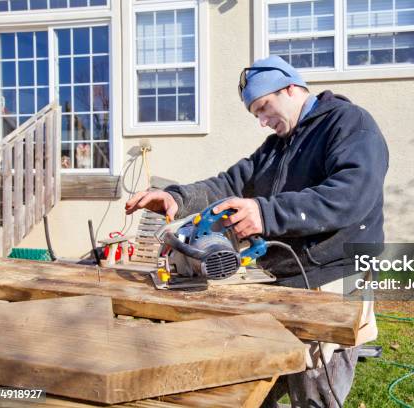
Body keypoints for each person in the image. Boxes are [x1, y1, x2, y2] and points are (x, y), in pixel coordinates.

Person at [125, 55, 389, 407]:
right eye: (256, 115)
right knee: (255, 382)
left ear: (292, 88)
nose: (263, 121)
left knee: (315, 392)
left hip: (335, 277)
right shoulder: (278, 145)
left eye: (264, 107)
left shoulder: (348, 123)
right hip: (287, 276)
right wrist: (176, 197)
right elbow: (231, 183)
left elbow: (351, 195)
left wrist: (265, 213)